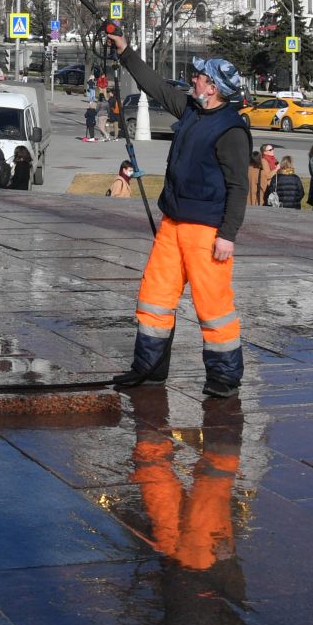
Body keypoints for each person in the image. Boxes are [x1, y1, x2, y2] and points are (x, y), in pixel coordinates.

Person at [108, 38, 250, 400]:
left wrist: (227, 235)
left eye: (200, 76)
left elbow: (238, 188)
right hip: (172, 226)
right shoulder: (190, 109)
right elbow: (154, 84)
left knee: (213, 307)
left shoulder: (231, 130)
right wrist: (125, 50)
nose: (194, 79)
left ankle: (223, 379)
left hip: (206, 232)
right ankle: (149, 370)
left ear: (213, 88)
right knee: (154, 299)